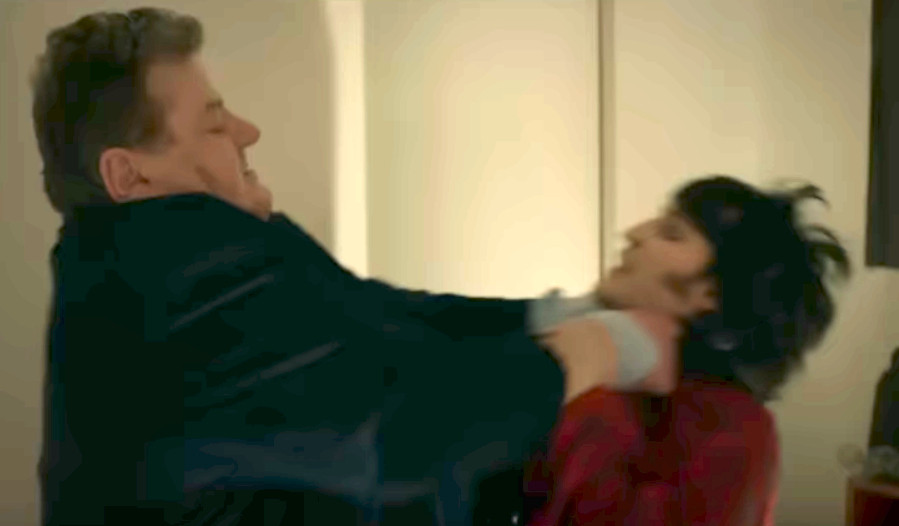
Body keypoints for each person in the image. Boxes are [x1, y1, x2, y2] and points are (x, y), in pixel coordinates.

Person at [30, 8, 680, 525]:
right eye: (214, 125)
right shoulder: (168, 299)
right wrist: (601, 348)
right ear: (129, 174)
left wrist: (558, 313)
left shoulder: (159, 274)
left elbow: (384, 318)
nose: (248, 132)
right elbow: (404, 431)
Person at [472, 176, 849, 526]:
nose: (634, 233)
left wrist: (583, 389)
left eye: (672, 233)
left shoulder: (737, 431)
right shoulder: (617, 372)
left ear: (712, 294)